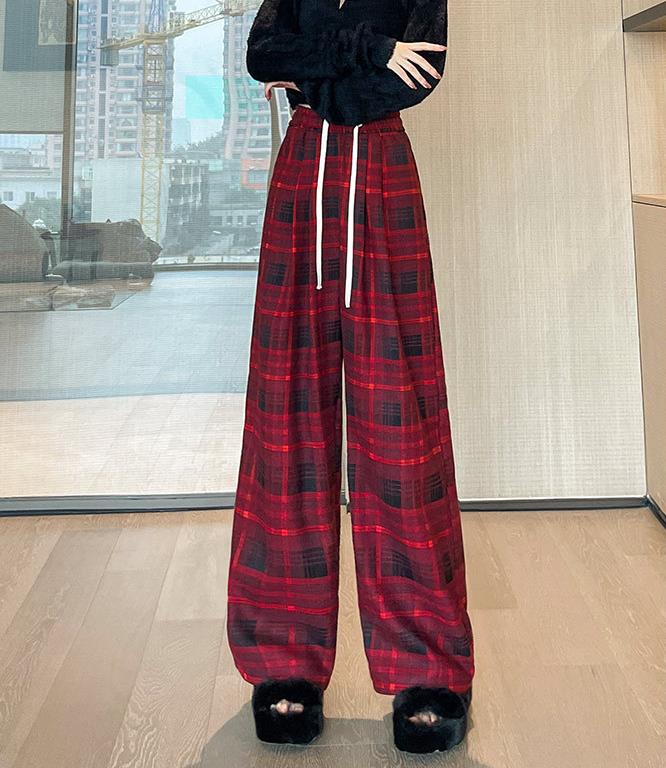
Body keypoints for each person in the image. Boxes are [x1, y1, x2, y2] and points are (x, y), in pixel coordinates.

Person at [226, 0, 475, 754]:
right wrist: (370, 48)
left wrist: (319, 66)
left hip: (381, 172)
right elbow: (264, 54)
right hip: (302, 174)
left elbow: (413, 78)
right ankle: (285, 660)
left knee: (401, 427)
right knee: (285, 421)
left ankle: (428, 667)